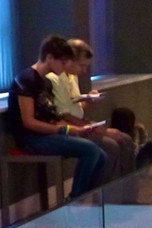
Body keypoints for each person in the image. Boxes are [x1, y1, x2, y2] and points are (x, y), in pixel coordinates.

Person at [6, 36, 107, 199]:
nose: (65, 65)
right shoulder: (25, 80)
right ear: (49, 58)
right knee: (91, 150)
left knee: (101, 156)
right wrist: (64, 129)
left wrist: (78, 130)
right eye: (63, 62)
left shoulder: (44, 82)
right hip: (32, 138)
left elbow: (51, 114)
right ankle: (74, 201)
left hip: (48, 133)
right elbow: (29, 122)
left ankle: (88, 200)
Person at [45, 39, 136, 183]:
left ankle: (126, 193)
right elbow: (63, 115)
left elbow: (75, 108)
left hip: (81, 123)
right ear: (70, 60)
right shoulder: (54, 78)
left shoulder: (72, 77)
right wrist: (99, 130)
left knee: (126, 140)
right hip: (71, 127)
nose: (84, 71)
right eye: (82, 66)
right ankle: (103, 198)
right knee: (111, 146)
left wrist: (89, 101)